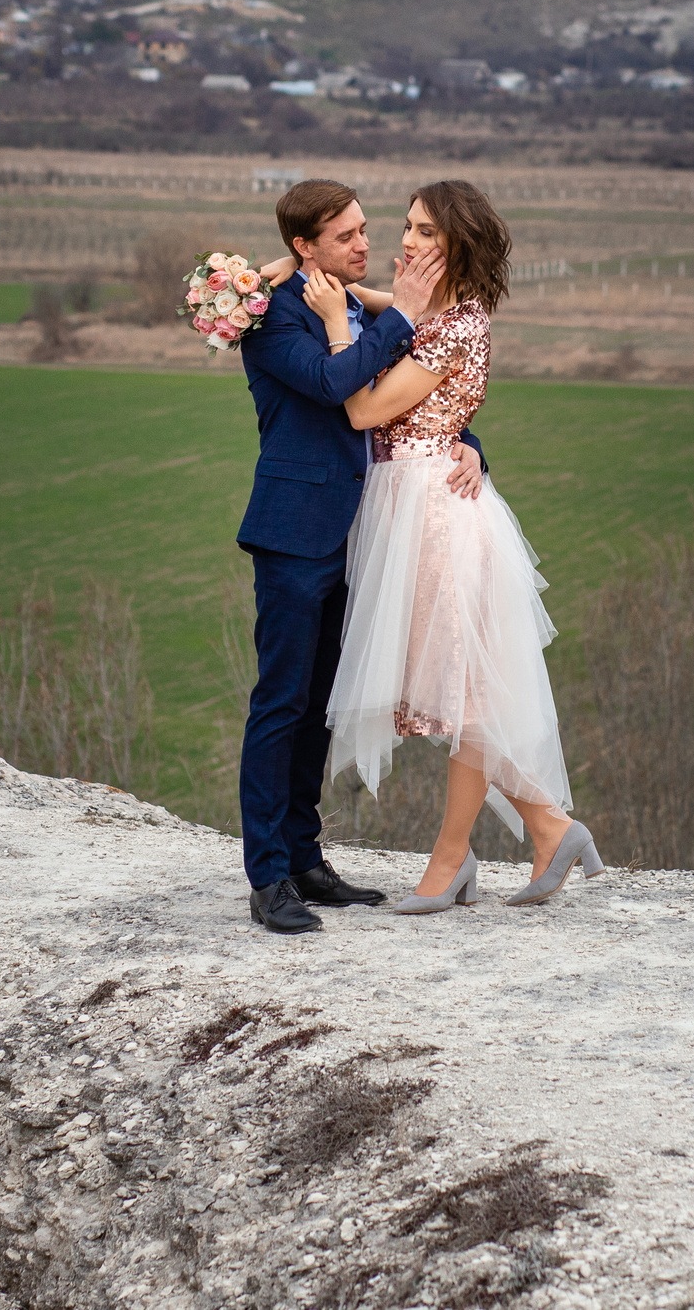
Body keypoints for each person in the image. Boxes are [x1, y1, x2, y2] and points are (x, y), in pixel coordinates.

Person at [306, 180, 601, 913]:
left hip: (434, 513)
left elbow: (367, 406)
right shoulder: (434, 313)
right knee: (451, 693)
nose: (408, 242)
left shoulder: (461, 326)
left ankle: (453, 858)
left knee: (462, 697)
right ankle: (546, 826)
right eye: (406, 227)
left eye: (426, 233)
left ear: (458, 244)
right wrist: (329, 285)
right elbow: (392, 312)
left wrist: (337, 333)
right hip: (410, 504)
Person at [234, 179, 488, 935]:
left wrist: (469, 447)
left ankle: (307, 857)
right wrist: (400, 313)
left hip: (358, 534)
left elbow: (423, 399)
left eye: (364, 229)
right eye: (345, 236)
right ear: (303, 247)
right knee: (279, 704)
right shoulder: (273, 319)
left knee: (320, 705)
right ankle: (267, 875)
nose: (366, 244)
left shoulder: (348, 307)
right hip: (293, 529)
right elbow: (337, 382)